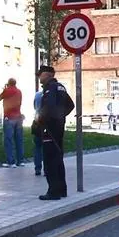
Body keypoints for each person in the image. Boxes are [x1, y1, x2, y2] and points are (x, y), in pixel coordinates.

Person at [37, 65, 75, 200]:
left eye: (40, 74)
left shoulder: (50, 89)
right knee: (58, 159)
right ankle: (62, 190)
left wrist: (41, 120)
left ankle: (53, 192)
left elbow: (49, 107)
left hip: (50, 129)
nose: (39, 77)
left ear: (47, 75)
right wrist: (61, 117)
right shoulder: (61, 87)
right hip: (59, 127)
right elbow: (71, 105)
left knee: (50, 161)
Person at [0, 78, 24, 167]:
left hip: (9, 117)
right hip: (18, 118)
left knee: (8, 140)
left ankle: (11, 161)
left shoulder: (7, 90)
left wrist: (5, 88)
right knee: (19, 139)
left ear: (8, 83)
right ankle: (20, 161)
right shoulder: (19, 91)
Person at [32, 88, 44, 176]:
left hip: (37, 121)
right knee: (47, 147)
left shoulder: (37, 95)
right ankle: (47, 169)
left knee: (38, 146)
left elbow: (35, 107)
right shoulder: (52, 94)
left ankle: (37, 168)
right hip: (48, 122)